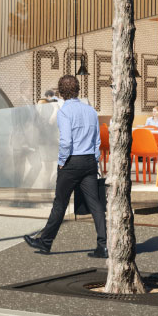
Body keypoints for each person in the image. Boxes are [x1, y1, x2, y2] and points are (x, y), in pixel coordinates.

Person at [23, 73, 109, 258]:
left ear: (61, 93)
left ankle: (45, 242)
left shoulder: (64, 112)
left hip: (71, 162)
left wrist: (62, 162)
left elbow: (66, 142)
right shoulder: (91, 111)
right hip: (89, 161)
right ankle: (103, 246)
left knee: (60, 203)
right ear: (77, 90)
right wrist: (94, 159)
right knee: (95, 204)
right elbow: (97, 140)